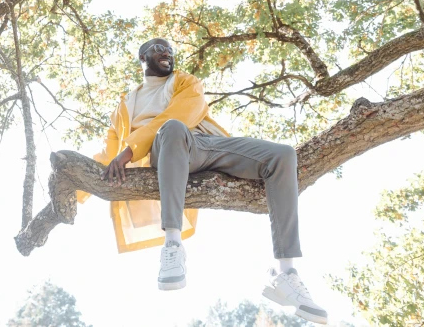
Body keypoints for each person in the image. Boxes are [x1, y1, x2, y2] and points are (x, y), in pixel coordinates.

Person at [98, 38, 328, 325]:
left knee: (282, 155)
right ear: (142, 57)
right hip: (165, 151)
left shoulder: (186, 82)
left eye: (170, 49)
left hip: (204, 145)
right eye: (159, 48)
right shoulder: (125, 105)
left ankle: (286, 274)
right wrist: (77, 184)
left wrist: (128, 150)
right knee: (171, 130)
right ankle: (172, 245)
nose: (167, 52)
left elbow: (182, 114)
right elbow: (109, 155)